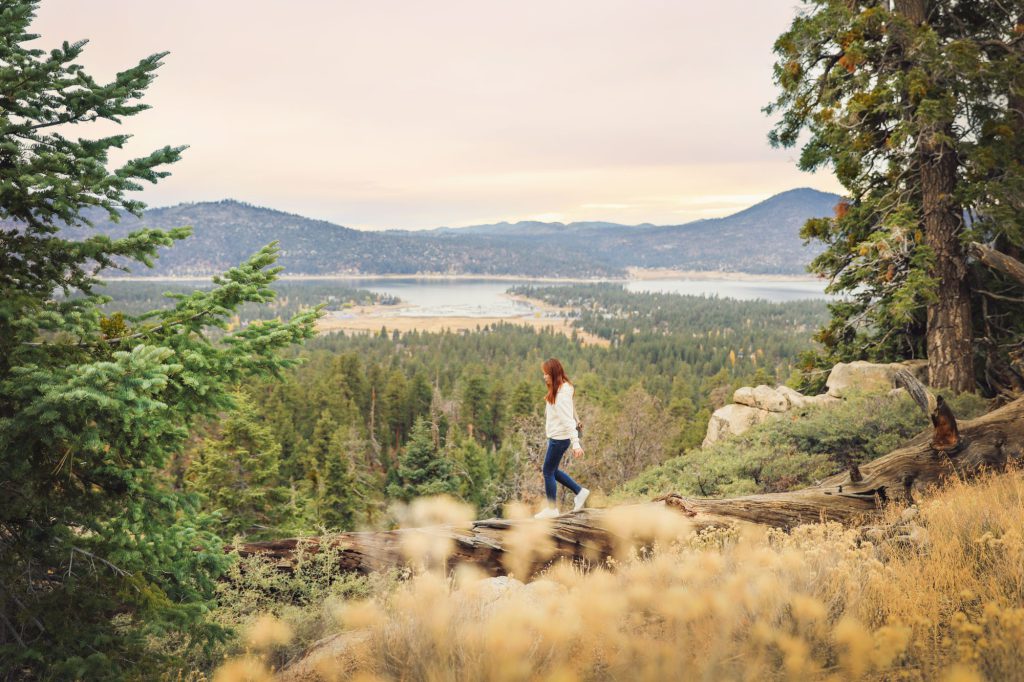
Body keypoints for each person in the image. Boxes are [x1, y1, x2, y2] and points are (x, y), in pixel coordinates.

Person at [534, 358, 590, 519]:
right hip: (556, 436)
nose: (544, 377)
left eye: (546, 374)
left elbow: (567, 420)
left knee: (547, 471)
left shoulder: (561, 395)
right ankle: (580, 491)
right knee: (552, 470)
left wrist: (576, 444)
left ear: (553, 373)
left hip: (559, 439)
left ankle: (552, 509)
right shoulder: (564, 388)